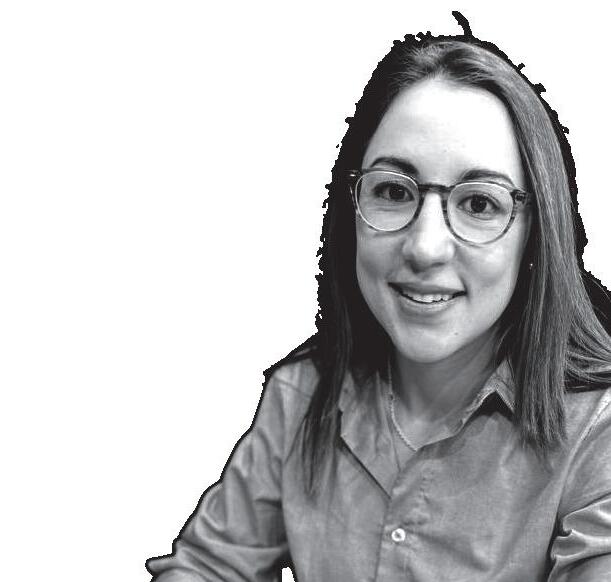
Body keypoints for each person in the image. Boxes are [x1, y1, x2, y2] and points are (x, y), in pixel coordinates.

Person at [146, 23, 611, 582]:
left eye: (479, 204)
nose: (425, 247)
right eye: (393, 191)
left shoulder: (600, 432)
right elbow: (208, 567)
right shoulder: (301, 394)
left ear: (537, 235)